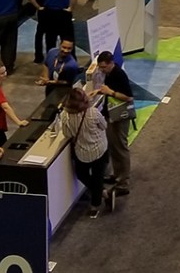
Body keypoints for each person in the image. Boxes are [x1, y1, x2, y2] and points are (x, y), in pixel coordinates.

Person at [57, 88, 113, 218]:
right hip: (99, 149)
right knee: (98, 177)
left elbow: (67, 134)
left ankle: (100, 195)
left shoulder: (65, 116)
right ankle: (97, 202)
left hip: (81, 152)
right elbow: (104, 126)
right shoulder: (93, 112)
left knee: (81, 174)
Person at [92, 51, 135, 198]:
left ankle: (123, 183)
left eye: (104, 67)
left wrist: (110, 92)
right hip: (111, 115)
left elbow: (128, 97)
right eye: (100, 67)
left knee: (121, 148)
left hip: (120, 117)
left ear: (111, 63)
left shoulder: (119, 74)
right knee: (113, 146)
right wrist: (99, 91)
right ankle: (117, 175)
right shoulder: (109, 74)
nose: (102, 70)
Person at [0, 64, 29, 147]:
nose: (5, 74)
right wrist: (18, 122)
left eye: (5, 72)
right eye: (2, 73)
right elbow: (5, 107)